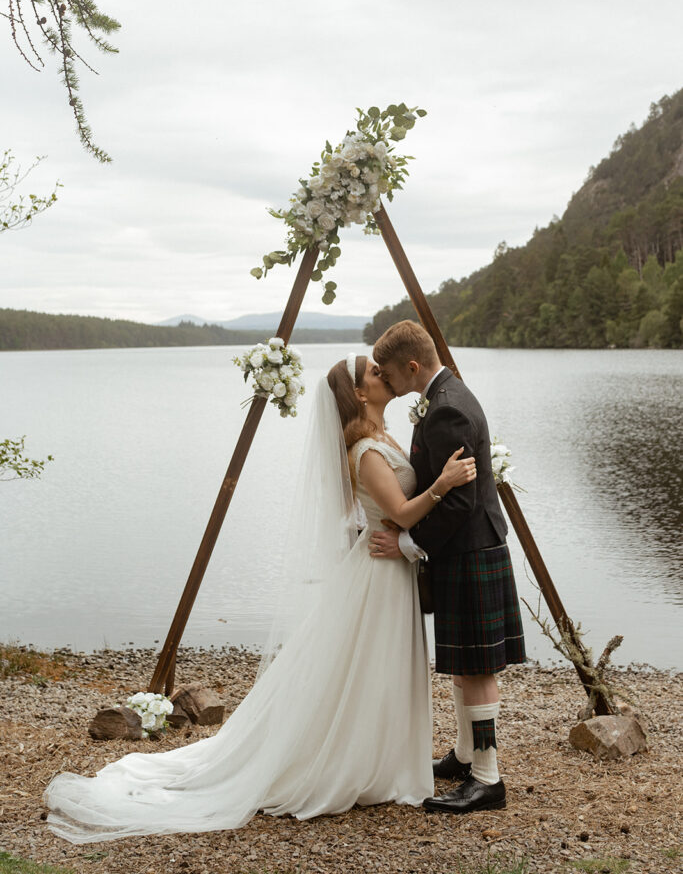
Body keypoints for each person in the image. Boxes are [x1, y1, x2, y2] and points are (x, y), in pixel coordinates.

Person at [44, 353, 476, 843]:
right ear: (358, 394)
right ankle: (354, 761)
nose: (383, 374)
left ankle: (386, 757)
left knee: (378, 667)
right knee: (368, 665)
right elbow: (400, 510)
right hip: (378, 573)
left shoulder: (386, 438)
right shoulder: (366, 452)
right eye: (374, 373)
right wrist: (442, 484)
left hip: (389, 566)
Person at [370, 320, 526, 815]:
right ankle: (464, 756)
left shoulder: (446, 411)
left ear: (412, 367)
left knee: (476, 670)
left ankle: (487, 779)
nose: (387, 382)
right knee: (463, 668)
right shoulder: (448, 394)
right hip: (472, 548)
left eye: (389, 375)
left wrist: (407, 542)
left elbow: (457, 507)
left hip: (470, 549)